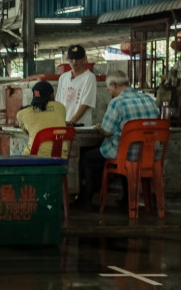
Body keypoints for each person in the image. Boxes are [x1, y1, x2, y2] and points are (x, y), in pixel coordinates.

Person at [78, 70, 160, 203]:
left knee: (88, 157)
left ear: (114, 85)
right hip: (149, 155)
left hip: (126, 154)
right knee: (125, 147)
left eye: (108, 87)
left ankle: (86, 199)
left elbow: (108, 131)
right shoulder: (149, 100)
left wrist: (100, 127)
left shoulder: (117, 103)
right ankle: (127, 199)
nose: (108, 91)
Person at [16, 80, 68, 156]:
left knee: (15, 155)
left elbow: (27, 131)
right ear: (52, 95)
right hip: (60, 158)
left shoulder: (22, 113)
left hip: (34, 158)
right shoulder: (61, 107)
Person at [57, 44, 97, 127]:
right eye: (71, 59)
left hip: (81, 124)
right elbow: (58, 102)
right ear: (67, 59)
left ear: (84, 59)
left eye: (78, 59)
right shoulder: (63, 77)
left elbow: (86, 103)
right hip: (64, 124)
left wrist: (72, 122)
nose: (74, 62)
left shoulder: (89, 77)